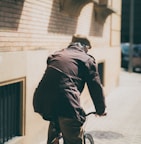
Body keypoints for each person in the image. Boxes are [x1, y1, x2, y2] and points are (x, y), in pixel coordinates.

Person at [33, 34, 106, 144]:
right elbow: (95, 87)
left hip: (42, 101)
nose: (88, 51)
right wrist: (101, 109)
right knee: (72, 134)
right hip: (66, 103)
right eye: (88, 48)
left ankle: (54, 139)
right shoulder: (87, 59)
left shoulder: (57, 55)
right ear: (84, 46)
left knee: (55, 125)